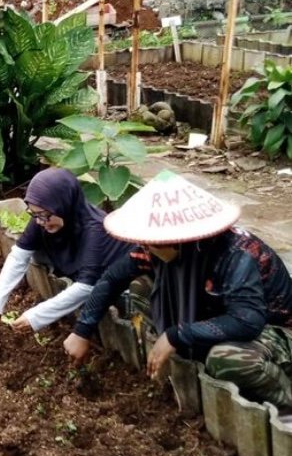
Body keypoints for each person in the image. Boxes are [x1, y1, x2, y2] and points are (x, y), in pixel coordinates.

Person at [62, 170, 292, 408]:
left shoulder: (235, 255)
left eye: (150, 244)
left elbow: (247, 321)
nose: (145, 248)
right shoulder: (163, 250)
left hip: (274, 330)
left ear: (176, 240)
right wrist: (82, 330)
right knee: (137, 289)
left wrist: (176, 335)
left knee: (227, 359)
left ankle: (285, 406)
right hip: (221, 312)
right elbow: (112, 279)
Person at [0, 168, 127, 334]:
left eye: (43, 215)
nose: (40, 222)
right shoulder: (43, 218)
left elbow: (86, 287)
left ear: (63, 205)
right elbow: (18, 257)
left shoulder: (96, 230)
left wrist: (35, 316)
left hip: (119, 289)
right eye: (34, 214)